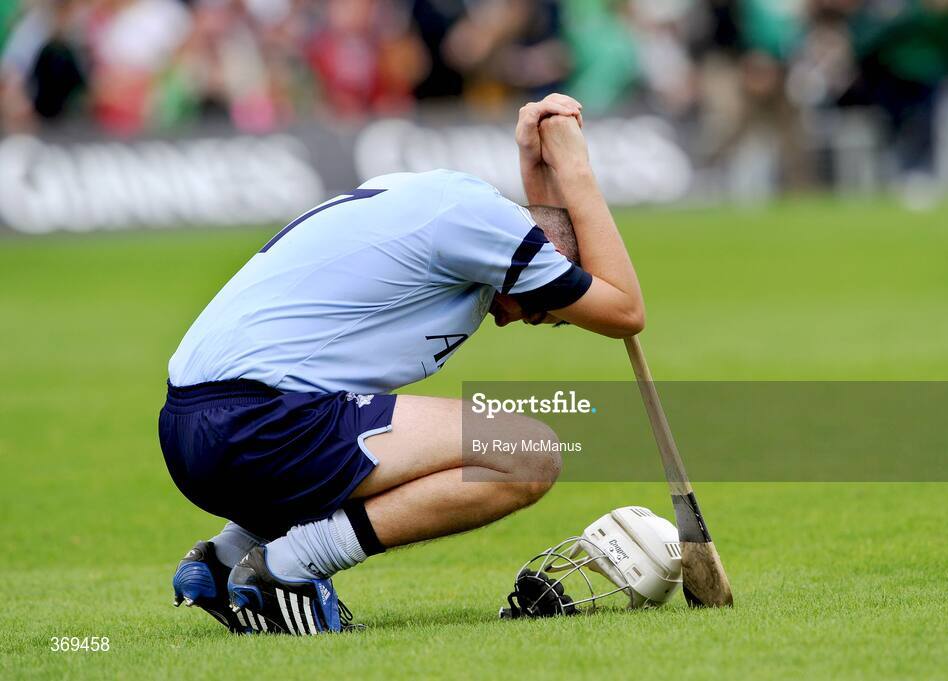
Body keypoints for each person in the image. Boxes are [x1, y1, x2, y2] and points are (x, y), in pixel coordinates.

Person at [159, 93, 645, 635]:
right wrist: (577, 170)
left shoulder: (444, 201)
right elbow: (624, 310)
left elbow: (546, 234)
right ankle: (290, 568)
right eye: (536, 308)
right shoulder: (476, 220)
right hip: (257, 426)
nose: (509, 321)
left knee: (379, 426)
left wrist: (536, 166)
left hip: (194, 430)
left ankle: (227, 556)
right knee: (530, 453)